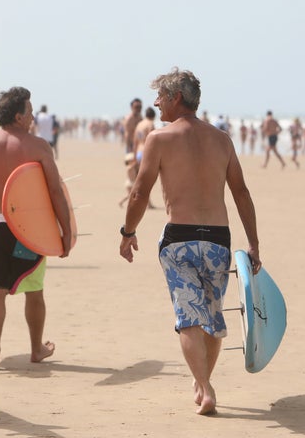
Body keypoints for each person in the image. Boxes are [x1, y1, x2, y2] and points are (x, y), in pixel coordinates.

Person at [119, 68, 260, 417]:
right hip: (217, 240)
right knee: (212, 318)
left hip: (179, 240)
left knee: (188, 317)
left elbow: (139, 191)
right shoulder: (222, 139)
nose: (156, 103)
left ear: (176, 98)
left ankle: (206, 387)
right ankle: (202, 382)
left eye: (160, 97)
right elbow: (241, 192)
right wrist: (254, 243)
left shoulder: (159, 139)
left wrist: (127, 232)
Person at [0, 87, 71, 370]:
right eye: (30, 111)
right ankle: (36, 348)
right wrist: (66, 231)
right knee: (34, 289)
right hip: (29, 231)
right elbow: (55, 191)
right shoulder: (38, 146)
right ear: (19, 116)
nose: (33, 116)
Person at [120, 107, 156, 207]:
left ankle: (146, 202)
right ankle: (146, 203)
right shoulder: (150, 124)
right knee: (146, 179)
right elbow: (152, 140)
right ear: (154, 116)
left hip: (139, 151)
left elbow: (135, 141)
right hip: (146, 152)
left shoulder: (140, 124)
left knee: (138, 178)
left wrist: (135, 155)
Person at [123, 98, 144, 183]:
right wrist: (129, 149)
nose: (139, 109)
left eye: (140, 107)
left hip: (139, 146)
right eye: (136, 107)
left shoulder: (140, 117)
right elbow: (127, 135)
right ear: (132, 107)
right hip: (131, 146)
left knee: (139, 168)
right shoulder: (129, 119)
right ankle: (132, 187)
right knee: (131, 168)